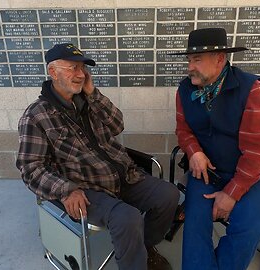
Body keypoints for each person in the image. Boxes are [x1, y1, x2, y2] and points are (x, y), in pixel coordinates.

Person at [16, 43, 179, 270]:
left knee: (169, 195)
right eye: (73, 68)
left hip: (123, 175)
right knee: (128, 218)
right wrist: (66, 190)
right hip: (86, 188)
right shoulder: (36, 115)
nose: (81, 74)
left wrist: (93, 94)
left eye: (83, 68)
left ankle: (145, 246)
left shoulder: (89, 101)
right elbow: (30, 167)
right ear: (53, 72)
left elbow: (117, 125)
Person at [172, 28, 260, 270]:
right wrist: (194, 151)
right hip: (207, 172)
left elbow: (257, 152)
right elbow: (183, 130)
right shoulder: (185, 90)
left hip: (248, 175)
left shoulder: (252, 91)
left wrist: (232, 193)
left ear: (219, 59)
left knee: (250, 226)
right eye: (189, 60)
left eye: (196, 60)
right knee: (195, 223)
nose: (189, 67)